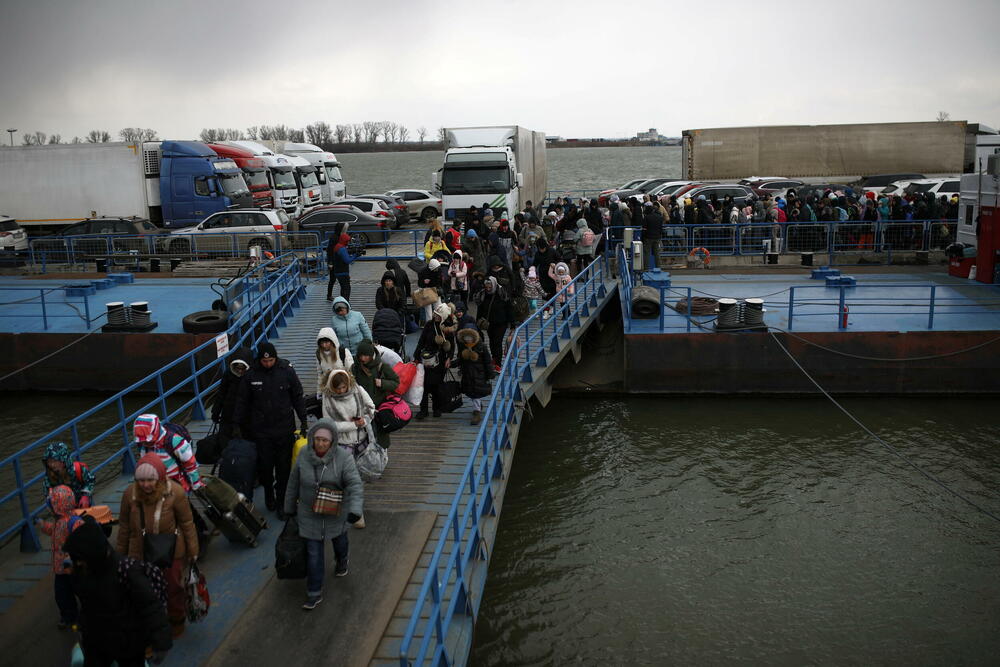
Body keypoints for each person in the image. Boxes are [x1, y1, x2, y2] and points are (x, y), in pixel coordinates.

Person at [64, 516, 172, 667]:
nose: (78, 563)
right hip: (97, 644)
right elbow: (87, 605)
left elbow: (151, 607)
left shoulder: (127, 571)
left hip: (128, 645)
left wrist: (161, 643)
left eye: (80, 559)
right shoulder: (84, 572)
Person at [116, 453, 198, 639]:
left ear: (160, 478)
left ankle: (176, 619)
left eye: (150, 480)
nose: (146, 484)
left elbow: (187, 523)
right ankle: (150, 627)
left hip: (170, 550)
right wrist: (120, 555)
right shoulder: (130, 495)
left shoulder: (175, 492)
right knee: (143, 592)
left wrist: (193, 550)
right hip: (140, 551)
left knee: (173, 587)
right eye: (141, 480)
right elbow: (125, 527)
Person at [284, 420, 363, 610]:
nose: (320, 444)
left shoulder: (344, 458)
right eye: (317, 439)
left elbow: (354, 485)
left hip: (335, 512)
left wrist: (355, 510)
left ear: (332, 442)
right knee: (313, 554)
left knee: (340, 541)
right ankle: (314, 592)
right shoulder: (303, 455)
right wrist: (288, 507)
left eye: (324, 441)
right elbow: (293, 482)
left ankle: (342, 560)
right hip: (309, 512)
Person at [233, 342, 307, 517]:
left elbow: (297, 396)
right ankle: (269, 493)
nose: (268, 364)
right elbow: (242, 400)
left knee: (283, 469)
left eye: (271, 360)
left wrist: (303, 420)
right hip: (261, 431)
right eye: (265, 361)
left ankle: (282, 502)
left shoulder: (286, 371)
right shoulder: (251, 375)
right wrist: (236, 424)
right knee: (265, 467)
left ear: (276, 358)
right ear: (260, 359)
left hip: (284, 429)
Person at [38, 484, 78, 629]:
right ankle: (69, 616)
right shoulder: (60, 522)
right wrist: (44, 526)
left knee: (66, 592)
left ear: (57, 506)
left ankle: (71, 616)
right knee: (63, 593)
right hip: (61, 567)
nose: (49, 507)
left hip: (69, 565)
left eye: (51, 505)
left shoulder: (70, 522)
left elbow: (79, 538)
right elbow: (53, 531)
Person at [133, 414, 203, 493]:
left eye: (148, 440)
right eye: (142, 441)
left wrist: (195, 483)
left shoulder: (175, 441)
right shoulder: (142, 444)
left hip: (177, 483)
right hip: (155, 484)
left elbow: (190, 463)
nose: (145, 443)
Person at [352, 339, 401, 448]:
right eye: (360, 356)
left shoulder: (381, 367)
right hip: (362, 407)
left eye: (366, 356)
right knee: (363, 434)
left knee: (382, 433)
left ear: (371, 355)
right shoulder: (355, 368)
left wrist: (383, 383)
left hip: (379, 407)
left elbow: (396, 382)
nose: (362, 358)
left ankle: (383, 453)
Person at [320, 369, 377, 463]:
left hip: (361, 440)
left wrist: (365, 420)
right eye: (338, 388)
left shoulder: (358, 390)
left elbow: (371, 408)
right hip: (342, 443)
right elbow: (329, 424)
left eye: (344, 387)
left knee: (361, 468)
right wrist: (353, 425)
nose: (341, 391)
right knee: (345, 472)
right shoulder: (328, 398)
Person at [413, 302, 457, 418]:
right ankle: (424, 410)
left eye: (438, 315)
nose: (435, 316)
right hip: (426, 358)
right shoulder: (428, 325)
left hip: (440, 360)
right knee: (424, 385)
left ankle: (437, 408)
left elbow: (452, 345)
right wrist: (416, 357)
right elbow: (421, 341)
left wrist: (449, 358)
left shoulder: (448, 328)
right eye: (435, 314)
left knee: (437, 386)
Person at [211, 346, 252, 441]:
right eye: (238, 368)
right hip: (229, 413)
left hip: (247, 415)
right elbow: (221, 393)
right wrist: (216, 412)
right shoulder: (228, 374)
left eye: (243, 369)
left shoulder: (252, 376)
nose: (240, 371)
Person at [456, 326, 494, 425]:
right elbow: (460, 359)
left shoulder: (481, 346)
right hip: (468, 373)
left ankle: (477, 412)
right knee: (471, 392)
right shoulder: (463, 346)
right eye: (465, 337)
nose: (467, 339)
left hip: (479, 374)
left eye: (469, 336)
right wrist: (452, 364)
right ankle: (477, 406)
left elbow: (488, 361)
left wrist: (490, 373)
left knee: (476, 392)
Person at [42, 442, 95, 509]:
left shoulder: (78, 469)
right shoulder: (49, 476)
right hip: (63, 509)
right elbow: (47, 492)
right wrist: (52, 501)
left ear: (63, 460)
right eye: (49, 462)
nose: (52, 465)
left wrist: (85, 496)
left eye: (55, 461)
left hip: (82, 505)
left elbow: (90, 480)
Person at [473, 276, 511, 370]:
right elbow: (480, 309)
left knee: (497, 342)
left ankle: (498, 363)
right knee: (492, 342)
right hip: (489, 323)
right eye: (487, 287)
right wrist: (477, 322)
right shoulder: (483, 294)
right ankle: (494, 358)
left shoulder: (501, 293)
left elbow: (508, 308)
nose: (488, 289)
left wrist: (512, 322)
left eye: (490, 287)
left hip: (501, 323)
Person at [315, 327, 353, 397]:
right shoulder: (319, 355)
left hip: (344, 389)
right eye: (322, 343)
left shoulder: (343, 352)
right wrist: (319, 391)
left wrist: (352, 388)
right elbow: (320, 375)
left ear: (332, 341)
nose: (324, 345)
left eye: (326, 342)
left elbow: (351, 371)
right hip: (330, 391)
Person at [326, 233, 357, 302]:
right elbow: (347, 260)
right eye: (347, 241)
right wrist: (355, 256)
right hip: (342, 272)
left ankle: (343, 303)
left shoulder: (337, 246)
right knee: (346, 289)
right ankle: (345, 304)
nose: (348, 242)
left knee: (343, 288)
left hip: (337, 271)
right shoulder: (342, 249)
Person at [641, 201, 663, 269]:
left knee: (647, 253)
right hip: (657, 237)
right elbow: (661, 228)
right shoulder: (659, 217)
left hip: (648, 237)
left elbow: (644, 229)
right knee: (657, 253)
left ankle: (646, 268)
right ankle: (658, 268)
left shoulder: (647, 217)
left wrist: (643, 238)